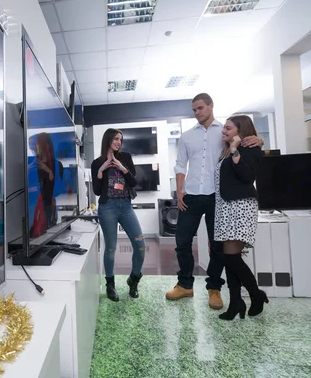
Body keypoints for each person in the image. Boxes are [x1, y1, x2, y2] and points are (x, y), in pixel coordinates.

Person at [165, 93, 263, 310]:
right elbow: (180, 165)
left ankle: (214, 288)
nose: (197, 112)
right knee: (182, 242)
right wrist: (179, 190)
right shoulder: (187, 136)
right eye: (194, 110)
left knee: (216, 246)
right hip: (190, 195)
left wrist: (259, 139)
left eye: (200, 108)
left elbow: (247, 144)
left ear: (211, 106)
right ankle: (185, 284)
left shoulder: (226, 131)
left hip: (217, 197)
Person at [214, 115, 268, 320]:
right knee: (230, 259)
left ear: (240, 130)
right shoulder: (226, 150)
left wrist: (237, 149)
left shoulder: (250, 149)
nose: (223, 131)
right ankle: (236, 303)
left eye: (228, 128)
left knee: (231, 258)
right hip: (226, 208)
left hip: (240, 207)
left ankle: (255, 294)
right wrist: (232, 148)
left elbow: (247, 176)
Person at [91, 128, 145, 301]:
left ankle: (134, 279)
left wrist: (122, 168)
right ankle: (110, 285)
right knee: (111, 248)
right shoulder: (96, 162)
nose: (118, 143)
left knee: (140, 245)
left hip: (126, 206)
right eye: (115, 139)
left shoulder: (126, 157)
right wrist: (101, 171)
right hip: (108, 208)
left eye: (120, 140)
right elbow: (98, 191)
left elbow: (134, 181)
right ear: (107, 140)